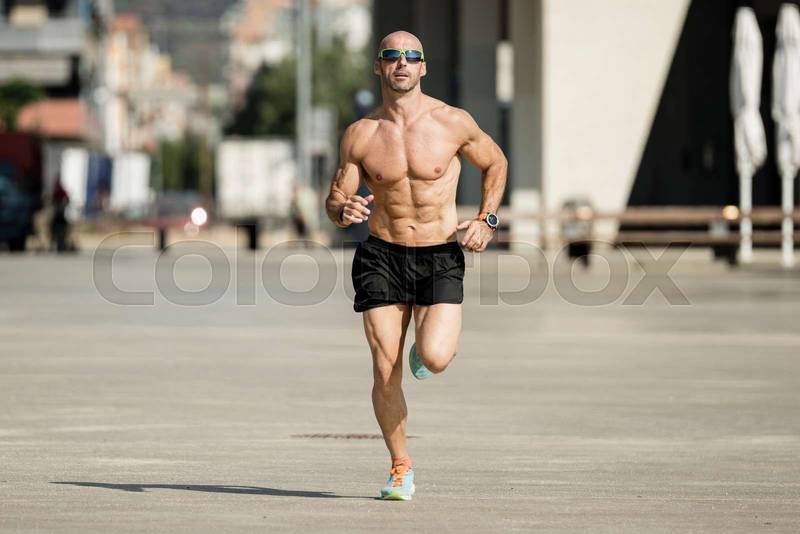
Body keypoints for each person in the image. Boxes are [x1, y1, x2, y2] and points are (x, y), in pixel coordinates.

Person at [325, 31, 507, 501]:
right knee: (384, 368)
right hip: (381, 254)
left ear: (423, 67)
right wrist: (342, 210)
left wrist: (487, 219)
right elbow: (337, 197)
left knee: (436, 357)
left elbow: (496, 162)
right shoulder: (361, 133)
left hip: (439, 252)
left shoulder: (452, 122)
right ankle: (400, 466)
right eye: (391, 56)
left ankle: (423, 354)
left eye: (411, 57)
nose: (401, 63)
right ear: (378, 67)